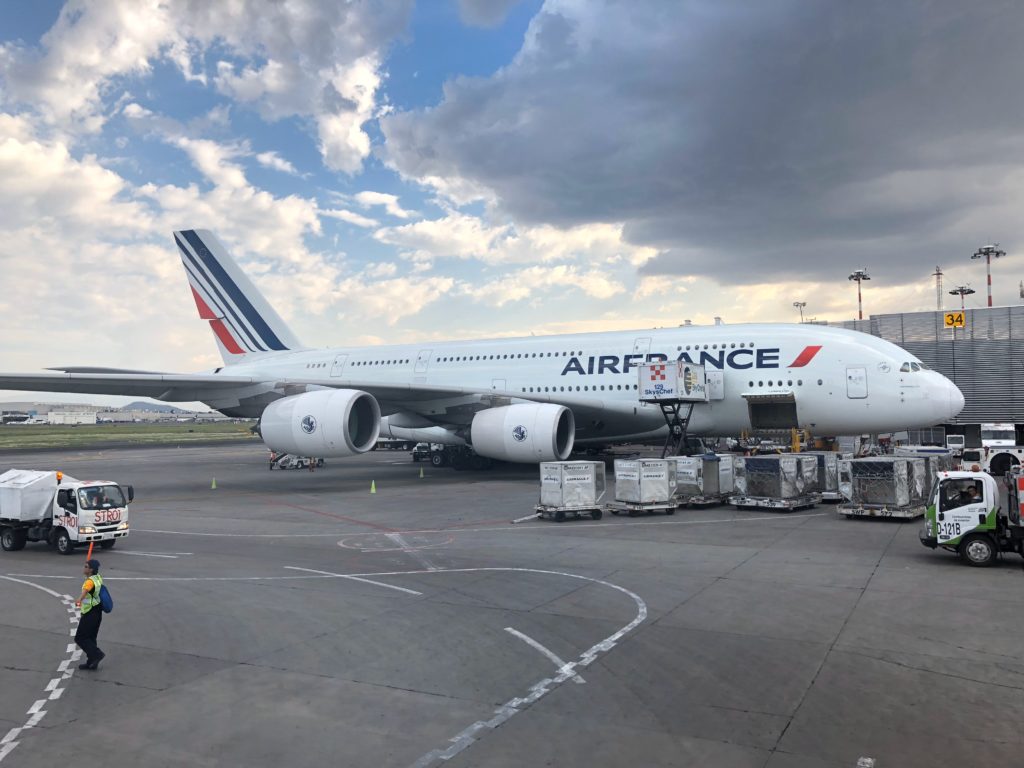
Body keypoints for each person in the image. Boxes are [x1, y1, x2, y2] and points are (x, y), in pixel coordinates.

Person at [74, 559, 106, 670]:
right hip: (98, 611)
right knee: (91, 637)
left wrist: (78, 601)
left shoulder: (89, 582)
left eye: (86, 566)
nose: (84, 568)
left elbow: (84, 592)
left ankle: (97, 654)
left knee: (80, 638)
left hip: (90, 612)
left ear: (91, 569)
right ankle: (92, 662)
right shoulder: (98, 578)